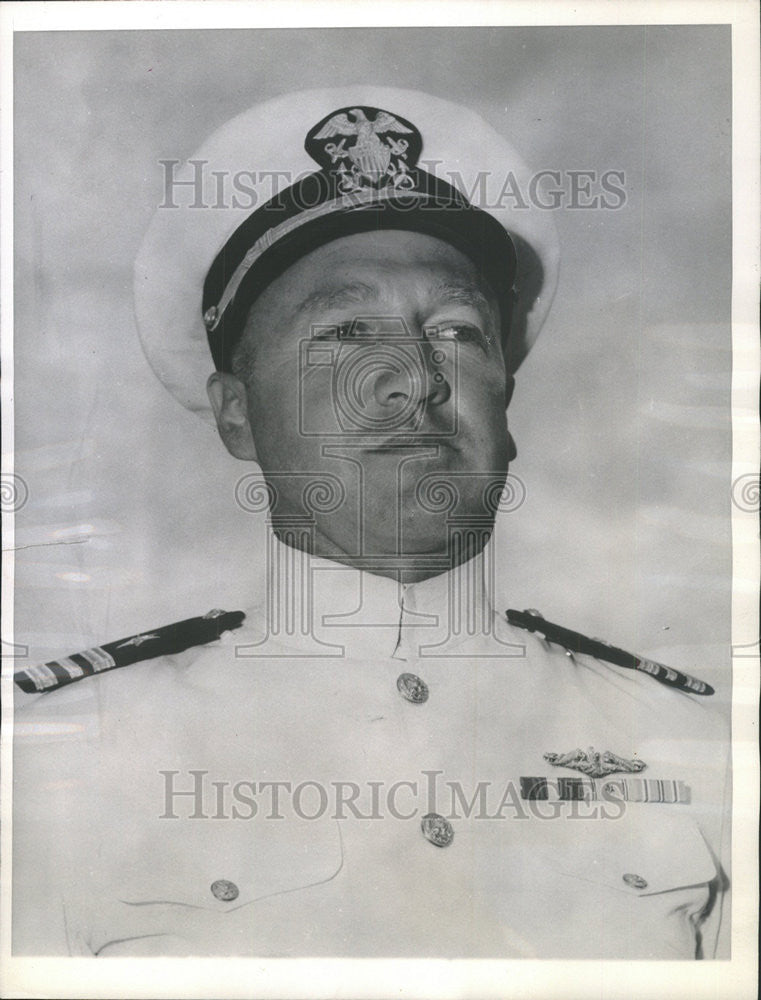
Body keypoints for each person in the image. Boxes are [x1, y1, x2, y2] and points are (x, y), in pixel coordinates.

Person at [12, 87, 729, 959]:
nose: (415, 379)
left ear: (504, 399)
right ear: (238, 414)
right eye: (348, 330)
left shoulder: (693, 746)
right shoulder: (56, 768)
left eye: (459, 331)